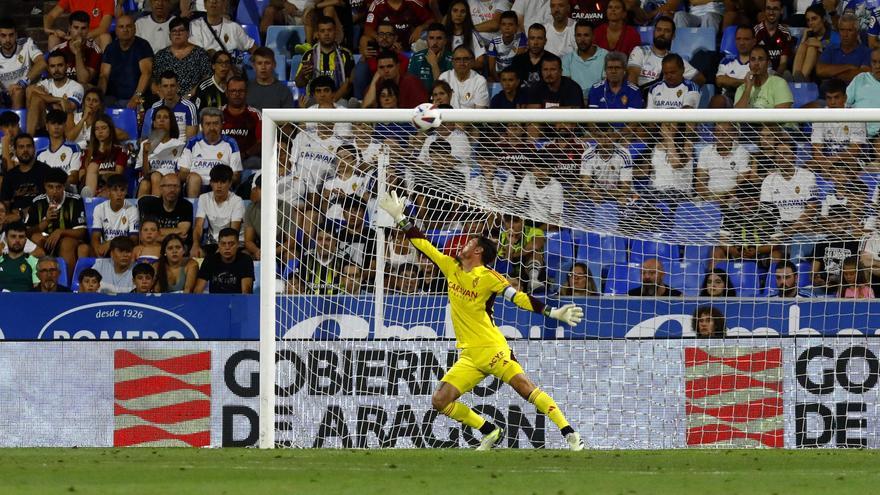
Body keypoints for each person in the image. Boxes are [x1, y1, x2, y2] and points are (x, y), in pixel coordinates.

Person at [377, 190, 586, 451]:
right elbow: (424, 245)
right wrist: (401, 219)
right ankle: (489, 430)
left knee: (524, 388)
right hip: (469, 356)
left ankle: (570, 433)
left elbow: (517, 297)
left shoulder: (489, 276)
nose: (462, 244)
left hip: (492, 348)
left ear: (477, 251)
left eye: (468, 242)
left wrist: (552, 312)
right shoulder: (451, 267)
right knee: (441, 400)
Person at [27, 168, 87, 281]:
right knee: (36, 237)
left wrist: (60, 232)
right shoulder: (37, 202)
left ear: (64, 186)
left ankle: (65, 285)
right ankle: (40, 282)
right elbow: (28, 232)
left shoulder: (75, 200)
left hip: (66, 239)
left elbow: (81, 232)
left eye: (58, 187)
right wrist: (46, 221)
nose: (54, 191)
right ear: (45, 186)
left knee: (67, 243)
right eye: (50, 187)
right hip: (45, 241)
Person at [180, 108, 243, 199]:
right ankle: (193, 211)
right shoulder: (193, 142)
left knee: (220, 182)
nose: (212, 128)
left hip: (220, 186)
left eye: (216, 124)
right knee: (194, 179)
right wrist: (195, 177)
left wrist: (217, 179)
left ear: (222, 125)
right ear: (202, 125)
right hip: (196, 186)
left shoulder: (230, 143)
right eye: (208, 124)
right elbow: (182, 173)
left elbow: (236, 176)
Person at [628, 16, 703, 87]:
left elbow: (699, 78)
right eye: (659, 30)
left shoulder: (675, 59)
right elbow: (632, 75)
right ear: (654, 32)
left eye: (667, 31)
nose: (662, 33)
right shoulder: (640, 51)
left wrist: (683, 91)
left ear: (673, 35)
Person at [97, 14, 154, 109]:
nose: (125, 29)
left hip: (137, 97)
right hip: (113, 98)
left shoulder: (143, 46)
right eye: (121, 27)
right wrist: (99, 97)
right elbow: (104, 75)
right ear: (116, 30)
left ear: (135, 29)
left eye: (128, 26)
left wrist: (136, 97)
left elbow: (146, 73)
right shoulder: (110, 48)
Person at [294, 15, 355, 101]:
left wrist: (331, 102)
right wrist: (302, 74)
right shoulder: (309, 55)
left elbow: (348, 84)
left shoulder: (346, 54)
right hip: (314, 100)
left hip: (338, 100)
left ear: (335, 32)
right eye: (322, 31)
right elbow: (299, 84)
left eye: (329, 30)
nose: (326, 34)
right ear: (317, 34)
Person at [151, 17, 212, 101]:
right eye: (174, 31)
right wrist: (162, 96)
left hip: (194, 100)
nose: (177, 33)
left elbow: (207, 78)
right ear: (169, 35)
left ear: (188, 33)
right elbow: (153, 81)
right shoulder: (161, 55)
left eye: (181, 30)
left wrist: (190, 95)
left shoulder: (200, 53)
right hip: (166, 102)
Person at [191, 164, 245, 258]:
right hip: (213, 243)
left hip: (233, 244)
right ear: (211, 183)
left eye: (223, 182)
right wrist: (195, 245)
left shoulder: (237, 201)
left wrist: (221, 249)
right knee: (197, 254)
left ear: (230, 183)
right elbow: (198, 227)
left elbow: (233, 231)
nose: (218, 186)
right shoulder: (204, 198)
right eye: (215, 182)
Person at [26, 51, 85, 135]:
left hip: (65, 128)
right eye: (52, 66)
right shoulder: (45, 83)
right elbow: (29, 89)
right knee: (35, 98)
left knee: (38, 97)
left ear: (67, 66)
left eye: (60, 65)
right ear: (49, 68)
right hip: (45, 125)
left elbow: (68, 108)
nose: (56, 70)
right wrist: (59, 99)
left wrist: (48, 100)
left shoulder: (76, 87)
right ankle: (29, 138)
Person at [353, 20, 411, 100]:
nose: (384, 38)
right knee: (361, 67)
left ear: (395, 38)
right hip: (372, 93)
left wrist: (398, 56)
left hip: (395, 94)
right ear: (376, 37)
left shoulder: (402, 58)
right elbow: (354, 79)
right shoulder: (370, 55)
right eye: (381, 34)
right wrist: (363, 58)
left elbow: (400, 80)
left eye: (388, 35)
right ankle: (358, 102)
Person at [135, 107, 186, 198]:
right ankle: (139, 211)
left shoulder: (180, 145)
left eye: (165, 117)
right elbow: (145, 174)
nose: (161, 120)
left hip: (171, 182)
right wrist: (145, 154)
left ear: (171, 123)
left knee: (155, 176)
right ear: (154, 123)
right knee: (146, 183)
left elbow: (182, 173)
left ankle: (156, 210)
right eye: (158, 117)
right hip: (149, 180)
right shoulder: (145, 144)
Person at [695, 122, 753, 201]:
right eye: (718, 132)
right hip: (708, 197)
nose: (721, 136)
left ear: (733, 134)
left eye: (725, 132)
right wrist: (709, 197)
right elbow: (700, 182)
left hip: (732, 197)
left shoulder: (742, 153)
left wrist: (724, 198)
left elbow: (742, 184)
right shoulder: (706, 151)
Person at [1, 134, 52, 222]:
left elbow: (50, 201)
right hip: (15, 222)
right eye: (21, 147)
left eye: (28, 146)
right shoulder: (10, 176)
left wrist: (22, 214)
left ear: (34, 149)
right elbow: (5, 205)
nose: (25, 150)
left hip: (40, 218)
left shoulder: (45, 171)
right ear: (15, 151)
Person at [189, 0, 257, 62]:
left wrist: (252, 62)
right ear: (204, 4)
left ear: (224, 4)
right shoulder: (195, 26)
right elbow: (196, 54)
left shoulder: (234, 27)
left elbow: (253, 48)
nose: (213, 2)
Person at [0, 18, 46, 109]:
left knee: (17, 92)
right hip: (3, 94)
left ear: (16, 35)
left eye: (11, 35)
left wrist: (23, 83)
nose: (8, 39)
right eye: (3, 36)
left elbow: (42, 63)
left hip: (24, 91)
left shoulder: (26, 44)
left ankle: (17, 123)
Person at [88, 174, 139, 258]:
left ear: (126, 192)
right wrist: (97, 248)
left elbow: (134, 239)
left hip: (124, 248)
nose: (119, 194)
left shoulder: (132, 210)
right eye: (115, 190)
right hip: (105, 248)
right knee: (89, 250)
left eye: (122, 190)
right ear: (108, 191)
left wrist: (111, 243)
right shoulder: (99, 208)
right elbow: (95, 235)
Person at [579, 124, 633, 202]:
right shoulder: (588, 155)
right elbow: (585, 185)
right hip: (596, 195)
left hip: (618, 195)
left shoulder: (624, 154)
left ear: (613, 137)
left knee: (623, 200)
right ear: (596, 138)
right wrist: (593, 193)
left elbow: (625, 188)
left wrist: (602, 194)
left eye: (608, 136)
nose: (604, 140)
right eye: (600, 137)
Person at [137, 173, 193, 245]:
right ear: (160, 188)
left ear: (180, 189)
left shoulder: (186, 206)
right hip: (153, 247)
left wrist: (157, 235)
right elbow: (146, 234)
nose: (172, 189)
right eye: (168, 186)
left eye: (176, 186)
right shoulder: (150, 205)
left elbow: (183, 231)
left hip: (176, 247)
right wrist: (175, 235)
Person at [194, 227, 254, 294]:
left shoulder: (245, 260)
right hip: (214, 302)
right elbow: (198, 290)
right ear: (218, 245)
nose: (227, 248)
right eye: (223, 244)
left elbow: (246, 292)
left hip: (237, 302)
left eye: (231, 244)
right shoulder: (210, 260)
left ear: (237, 244)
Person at [80, 115, 128, 198]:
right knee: (92, 166)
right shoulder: (88, 152)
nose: (100, 131)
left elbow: (118, 174)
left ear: (110, 130)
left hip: (113, 188)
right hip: (92, 186)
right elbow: (81, 176)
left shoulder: (119, 150)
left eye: (103, 128)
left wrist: (100, 174)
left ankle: (90, 199)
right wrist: (94, 174)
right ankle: (90, 197)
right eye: (97, 129)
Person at [142, 71, 199, 140]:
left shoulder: (189, 107)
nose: (169, 90)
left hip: (183, 148)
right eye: (165, 86)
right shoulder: (155, 107)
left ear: (178, 87)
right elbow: (153, 134)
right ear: (160, 87)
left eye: (172, 86)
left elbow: (190, 140)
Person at [360, 0, 434, 54]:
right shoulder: (377, 4)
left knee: (425, 36)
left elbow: (432, 20)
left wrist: (420, 27)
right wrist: (384, 40)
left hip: (411, 45)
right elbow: (368, 29)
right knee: (364, 39)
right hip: (386, 47)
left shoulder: (412, 2)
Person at [363, 50, 430, 108]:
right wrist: (373, 83)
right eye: (381, 67)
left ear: (398, 66)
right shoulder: (375, 85)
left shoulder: (411, 82)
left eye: (389, 66)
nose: (386, 71)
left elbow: (422, 111)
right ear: (377, 70)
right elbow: (363, 113)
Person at [816, 13, 870, 84]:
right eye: (842, 30)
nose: (845, 34)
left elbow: (862, 76)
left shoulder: (866, 52)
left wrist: (832, 73)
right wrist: (848, 66)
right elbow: (820, 71)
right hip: (830, 91)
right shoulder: (831, 48)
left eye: (849, 30)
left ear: (857, 32)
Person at [221, 77, 262, 171]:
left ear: (246, 93)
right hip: (220, 158)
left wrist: (245, 154)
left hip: (246, 159)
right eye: (233, 91)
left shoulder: (255, 114)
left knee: (256, 162)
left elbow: (261, 142)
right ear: (227, 93)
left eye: (241, 91)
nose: (237, 94)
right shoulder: (218, 114)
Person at [794, 4, 842, 83]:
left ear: (823, 19)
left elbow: (838, 55)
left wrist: (820, 45)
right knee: (803, 46)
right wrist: (803, 39)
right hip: (808, 74)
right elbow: (796, 55)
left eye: (814, 19)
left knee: (812, 48)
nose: (811, 23)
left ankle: (798, 83)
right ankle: (797, 80)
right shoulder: (805, 35)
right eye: (808, 20)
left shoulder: (834, 36)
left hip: (823, 71)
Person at [52, 10, 102, 86]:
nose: (79, 32)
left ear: (88, 29)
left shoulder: (94, 50)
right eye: (76, 27)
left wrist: (78, 51)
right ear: (69, 28)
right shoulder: (59, 50)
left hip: (84, 93)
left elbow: (83, 80)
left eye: (83, 28)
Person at [562, 21, 608, 102]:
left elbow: (606, 86)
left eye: (586, 35)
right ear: (575, 37)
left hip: (599, 101)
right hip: (575, 102)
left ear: (593, 37)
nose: (582, 39)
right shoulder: (567, 59)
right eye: (579, 35)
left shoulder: (605, 56)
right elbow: (568, 88)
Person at [37, 109, 82, 190]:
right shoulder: (40, 154)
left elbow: (74, 177)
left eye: (60, 123)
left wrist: (55, 186)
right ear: (47, 126)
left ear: (65, 126)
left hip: (68, 193)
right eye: (53, 123)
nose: (56, 127)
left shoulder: (74, 148)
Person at [43, 0, 113, 51]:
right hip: (74, 35)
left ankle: (104, 69)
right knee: (53, 38)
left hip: (93, 37)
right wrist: (49, 29)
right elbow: (51, 15)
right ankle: (55, 69)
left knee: (105, 37)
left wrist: (81, 37)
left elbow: (104, 27)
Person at [714, 25, 756, 106]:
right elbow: (720, 81)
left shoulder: (760, 61)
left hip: (752, 99)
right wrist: (746, 83)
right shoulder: (726, 61)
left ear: (754, 41)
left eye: (746, 39)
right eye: (738, 39)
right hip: (729, 99)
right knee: (718, 100)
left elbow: (760, 84)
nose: (741, 43)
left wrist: (730, 81)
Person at [247, 47, 295, 111]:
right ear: (254, 66)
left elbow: (287, 119)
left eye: (267, 63)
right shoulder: (245, 89)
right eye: (259, 63)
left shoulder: (284, 91)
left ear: (274, 65)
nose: (263, 67)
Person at [408, 23, 453, 91]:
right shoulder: (416, 57)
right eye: (431, 38)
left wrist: (434, 65)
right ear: (427, 40)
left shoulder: (453, 59)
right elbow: (411, 86)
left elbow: (446, 90)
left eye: (439, 38)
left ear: (445, 41)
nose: (435, 42)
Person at [846, 48, 880, 139]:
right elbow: (844, 104)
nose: (877, 66)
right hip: (855, 134)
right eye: (874, 62)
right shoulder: (861, 78)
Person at [754, 0, 794, 76]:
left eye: (775, 9)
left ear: (781, 11)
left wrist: (774, 77)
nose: (771, 12)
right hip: (760, 73)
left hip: (778, 75)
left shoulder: (785, 33)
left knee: (787, 74)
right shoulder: (756, 31)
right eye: (768, 8)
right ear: (764, 10)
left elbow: (783, 63)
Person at [486, 10, 527, 82]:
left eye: (510, 24)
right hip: (499, 75)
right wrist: (500, 82)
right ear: (500, 26)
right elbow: (492, 68)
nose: (507, 27)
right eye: (503, 24)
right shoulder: (494, 43)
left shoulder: (521, 38)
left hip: (515, 74)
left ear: (516, 27)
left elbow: (519, 61)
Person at [445, 0, 487, 70]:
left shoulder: (473, 34)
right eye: (455, 11)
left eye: (462, 11)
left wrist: (461, 64)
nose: (458, 14)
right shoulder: (443, 34)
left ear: (467, 15)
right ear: (450, 13)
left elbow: (480, 62)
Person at [0, 221, 39, 292]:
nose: (17, 240)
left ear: (26, 240)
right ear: (5, 239)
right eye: (13, 236)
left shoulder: (34, 262)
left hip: (25, 301)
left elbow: (37, 291)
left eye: (21, 237)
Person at [509, 23, 549, 87]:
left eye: (539, 38)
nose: (535, 42)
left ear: (545, 41)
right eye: (532, 38)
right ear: (527, 41)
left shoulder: (552, 60)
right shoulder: (517, 61)